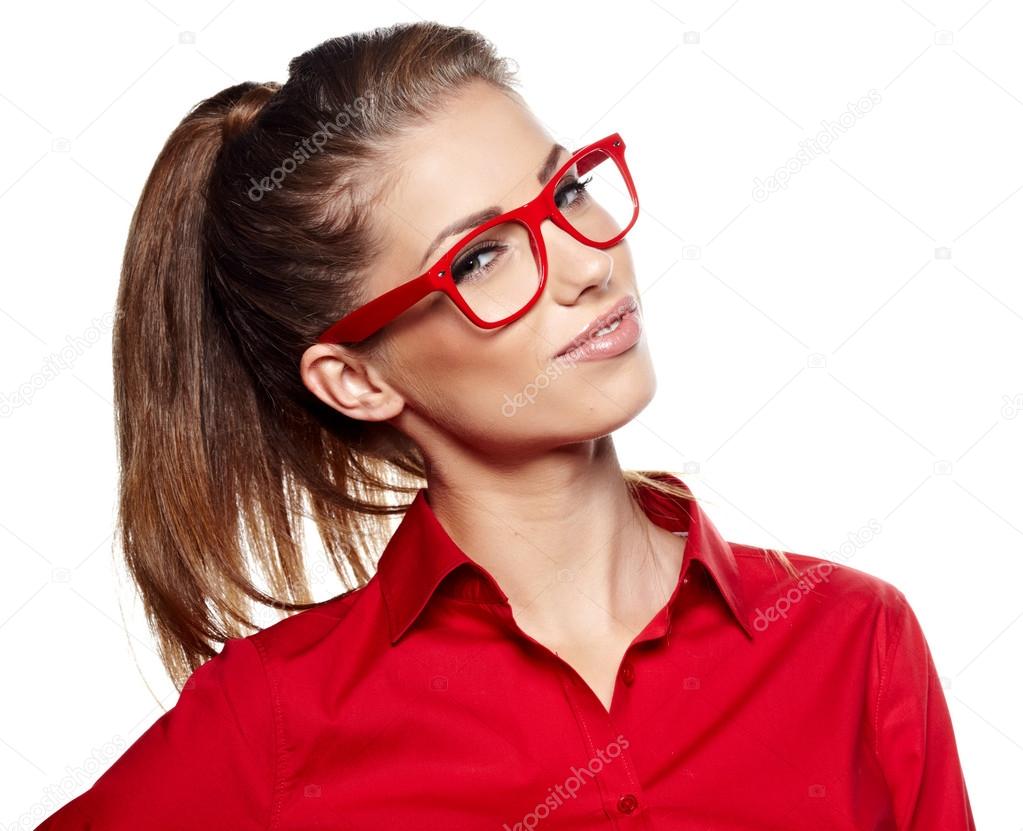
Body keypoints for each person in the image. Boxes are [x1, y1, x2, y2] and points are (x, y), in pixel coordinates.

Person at [33, 21, 976, 830]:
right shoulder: (277, 717)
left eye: (566, 191)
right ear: (355, 378)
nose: (585, 264)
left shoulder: (852, 640)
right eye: (482, 256)